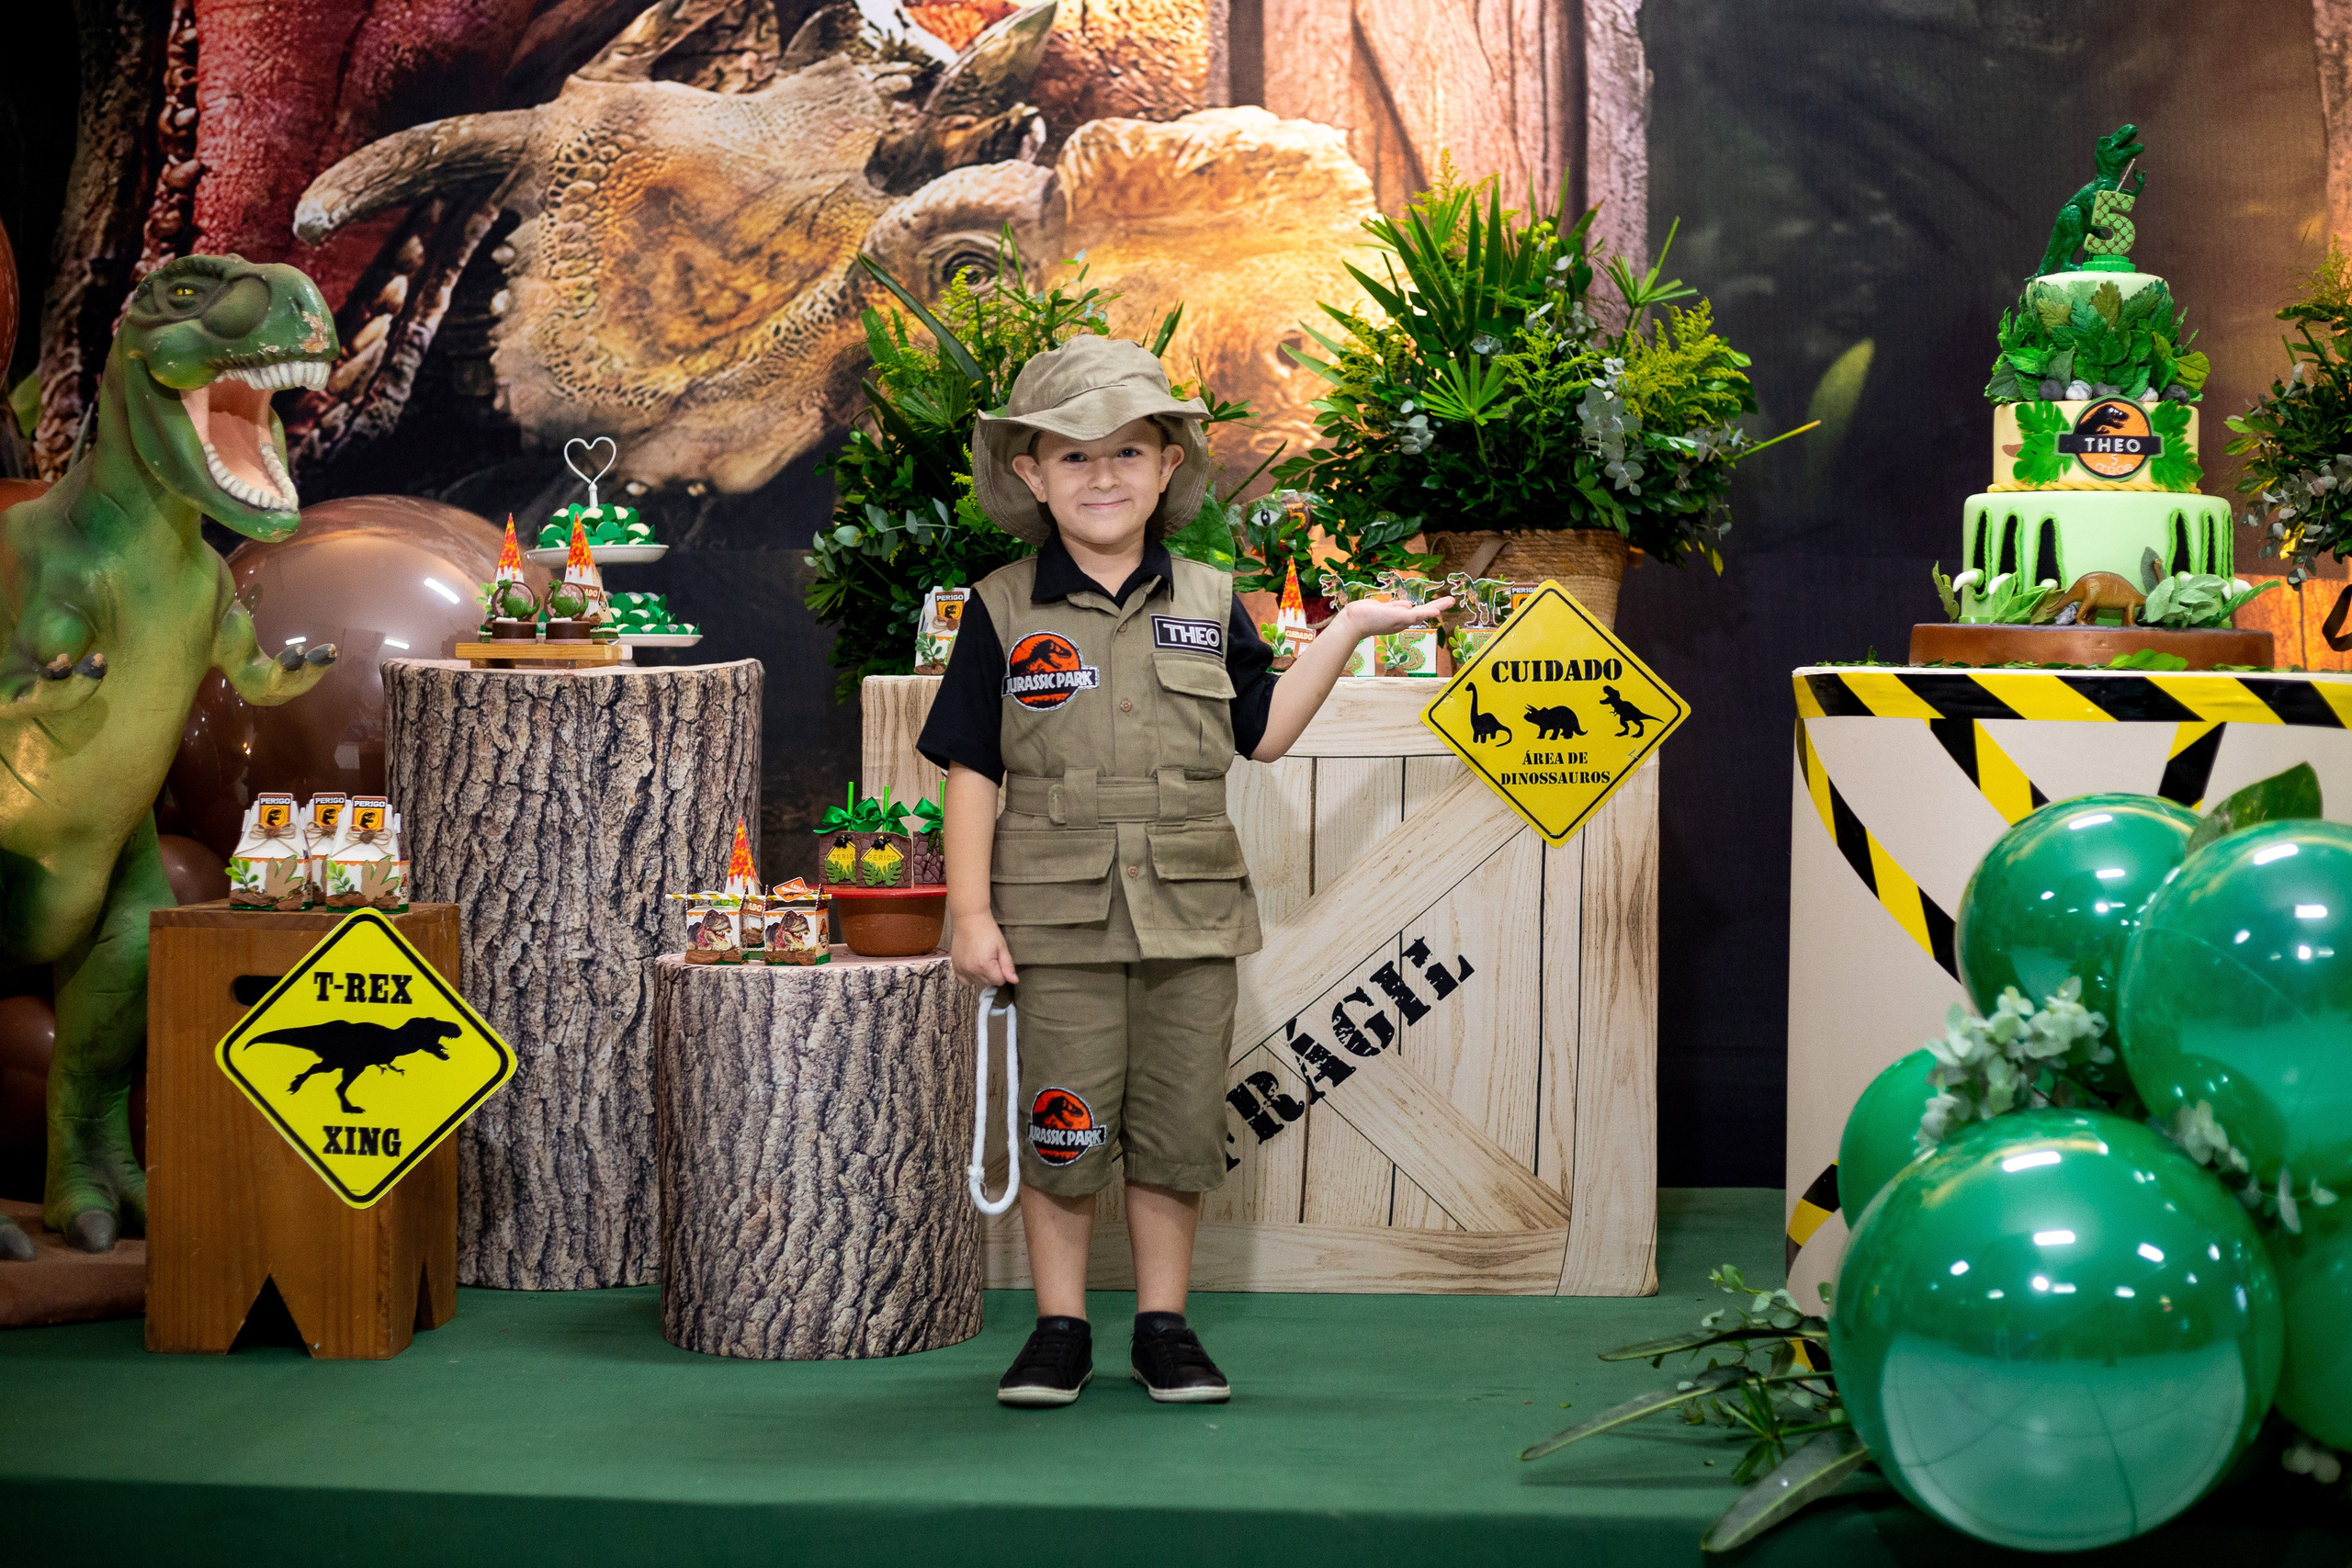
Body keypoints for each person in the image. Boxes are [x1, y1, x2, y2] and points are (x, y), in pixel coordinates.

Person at [916, 335, 1450, 1408]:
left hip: (1191, 913)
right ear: (1030, 475)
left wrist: (1347, 629)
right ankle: (1059, 1330)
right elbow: (971, 768)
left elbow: (1265, 736)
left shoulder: (1210, 597)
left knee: (1176, 1126)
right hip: (1055, 918)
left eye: (1127, 451)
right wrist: (970, 914)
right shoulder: (1000, 607)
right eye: (1073, 455)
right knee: (1063, 1120)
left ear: (1168, 467)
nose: (1101, 475)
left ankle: (1163, 1327)